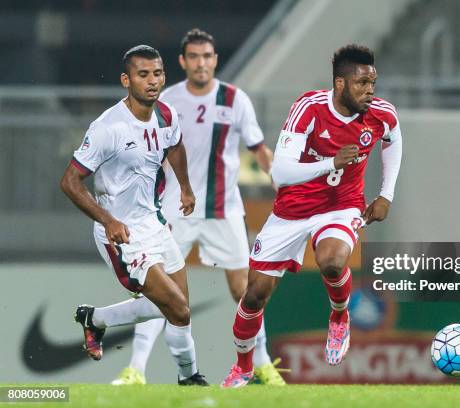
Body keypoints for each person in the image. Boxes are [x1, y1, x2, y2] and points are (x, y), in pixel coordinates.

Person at [221, 44, 403, 388]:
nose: (370, 90)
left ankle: (339, 316)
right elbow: (282, 173)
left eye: (373, 82)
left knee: (332, 261)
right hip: (292, 211)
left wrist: (386, 193)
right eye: (362, 83)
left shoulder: (381, 114)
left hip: (342, 205)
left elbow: (393, 139)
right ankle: (243, 367)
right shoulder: (309, 108)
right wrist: (330, 162)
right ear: (340, 84)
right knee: (254, 294)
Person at [111, 29, 283, 386]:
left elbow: (258, 150)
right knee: (160, 290)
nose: (201, 63)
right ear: (182, 62)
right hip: (174, 210)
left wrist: (282, 182)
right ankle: (136, 370)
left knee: (246, 290)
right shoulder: (167, 102)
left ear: (215, 60)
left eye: (207, 56)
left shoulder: (235, 100)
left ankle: (262, 365)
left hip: (224, 210)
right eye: (194, 57)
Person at [60, 45, 207, 386]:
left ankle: (94, 319)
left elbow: (175, 145)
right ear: (126, 80)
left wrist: (184, 187)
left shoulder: (166, 115)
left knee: (178, 307)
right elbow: (69, 181)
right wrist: (107, 220)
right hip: (120, 233)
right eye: (143, 75)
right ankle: (189, 379)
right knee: (179, 308)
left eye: (157, 74)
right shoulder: (108, 127)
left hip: (154, 223)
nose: (152, 81)